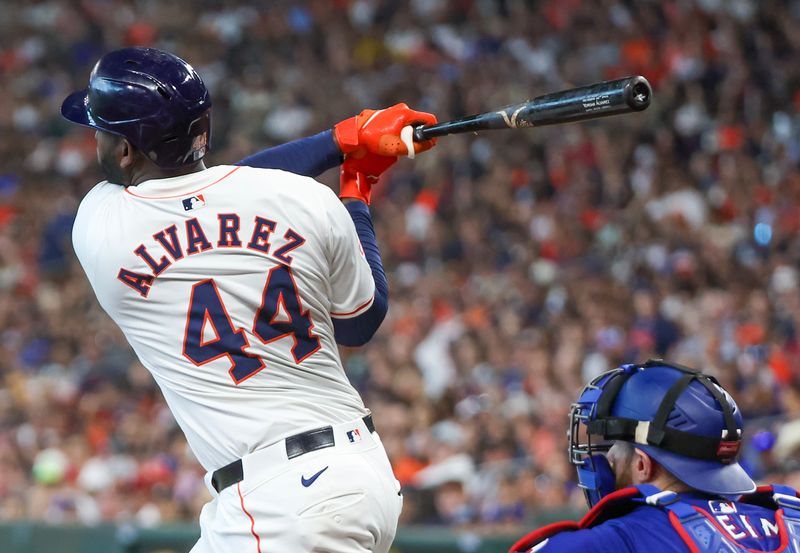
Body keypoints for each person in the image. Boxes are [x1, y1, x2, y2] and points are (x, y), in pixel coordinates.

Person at [61, 47, 437, 553]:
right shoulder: (308, 201)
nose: (97, 142)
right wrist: (354, 186)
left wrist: (341, 153)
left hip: (284, 503)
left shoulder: (99, 224)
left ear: (127, 151)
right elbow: (359, 324)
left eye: (102, 131)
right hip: (354, 472)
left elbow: (217, 195)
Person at [510, 359, 800, 553]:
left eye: (615, 450)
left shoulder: (620, 538)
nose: (608, 459)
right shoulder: (789, 514)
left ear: (642, 464)